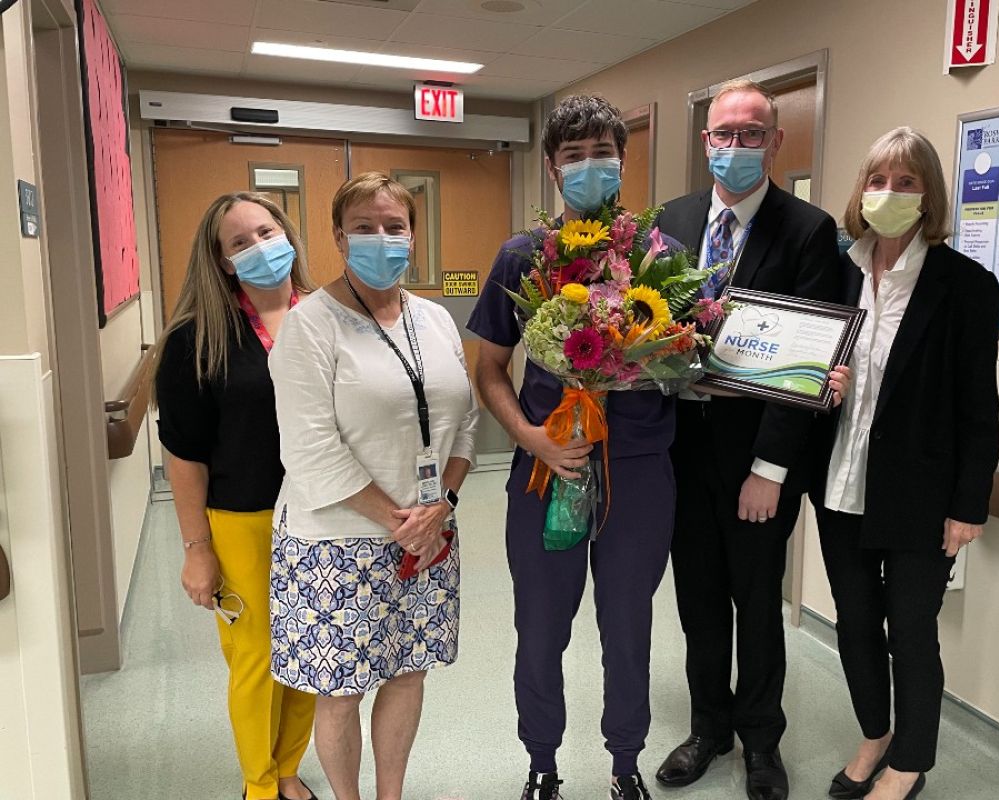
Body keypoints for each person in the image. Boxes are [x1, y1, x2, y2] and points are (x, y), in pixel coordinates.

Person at [468, 94, 673, 800]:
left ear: (623, 159)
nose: (591, 166)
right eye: (574, 154)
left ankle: (624, 764)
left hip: (638, 470)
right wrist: (529, 437)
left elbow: (695, 361)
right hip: (544, 468)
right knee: (542, 625)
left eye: (603, 152)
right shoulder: (522, 256)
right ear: (553, 168)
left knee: (627, 627)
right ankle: (542, 762)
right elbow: (489, 368)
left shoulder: (660, 257)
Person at [652, 79, 841, 800]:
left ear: (776, 141)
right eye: (723, 134)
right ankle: (709, 730)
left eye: (751, 134)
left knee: (757, 603)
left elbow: (809, 365)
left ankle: (762, 741)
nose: (735, 147)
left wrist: (770, 468)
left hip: (757, 456)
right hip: (680, 451)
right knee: (697, 599)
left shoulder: (808, 232)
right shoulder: (671, 221)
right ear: (706, 142)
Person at [267, 172, 478, 800]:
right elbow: (310, 451)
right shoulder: (310, 327)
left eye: (394, 227)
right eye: (364, 228)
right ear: (338, 236)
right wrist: (401, 518)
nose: (381, 239)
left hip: (429, 537)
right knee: (341, 690)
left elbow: (464, 421)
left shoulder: (435, 319)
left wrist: (442, 505)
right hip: (337, 541)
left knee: (408, 674)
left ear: (413, 235)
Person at [811, 127, 999, 800]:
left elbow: (980, 408)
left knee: (911, 632)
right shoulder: (839, 270)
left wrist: (968, 505)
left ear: (929, 197)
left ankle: (911, 760)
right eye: (877, 180)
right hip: (840, 481)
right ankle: (875, 735)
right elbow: (816, 367)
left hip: (922, 494)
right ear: (860, 191)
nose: (888, 194)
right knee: (855, 623)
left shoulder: (966, 286)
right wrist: (821, 391)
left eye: (906, 182)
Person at [154, 192, 318, 800]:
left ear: (289, 235)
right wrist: (197, 548)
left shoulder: (325, 316)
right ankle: (259, 785)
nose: (259, 248)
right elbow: (184, 454)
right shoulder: (197, 339)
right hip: (243, 518)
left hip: (323, 515)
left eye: (266, 232)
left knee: (310, 650)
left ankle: (289, 767)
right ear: (222, 261)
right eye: (240, 243)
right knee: (256, 660)